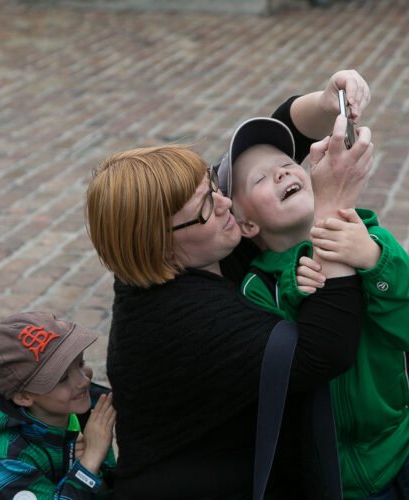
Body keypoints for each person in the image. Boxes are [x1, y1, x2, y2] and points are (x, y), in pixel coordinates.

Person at [85, 78, 374, 497]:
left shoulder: (190, 249)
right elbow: (321, 352)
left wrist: (324, 103)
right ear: (161, 246)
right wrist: (332, 205)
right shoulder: (175, 317)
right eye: (206, 207)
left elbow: (277, 140)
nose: (226, 204)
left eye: (211, 186)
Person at [220, 116, 409, 499]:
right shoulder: (257, 288)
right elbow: (284, 376)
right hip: (330, 466)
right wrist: (295, 292)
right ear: (246, 224)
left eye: (287, 165)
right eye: (261, 179)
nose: (283, 174)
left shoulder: (374, 239)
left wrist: (374, 261)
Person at [0, 311, 116, 500]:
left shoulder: (81, 413)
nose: (83, 381)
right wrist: (89, 462)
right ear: (23, 397)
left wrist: (91, 468)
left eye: (80, 362)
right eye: (62, 379)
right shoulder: (6, 461)